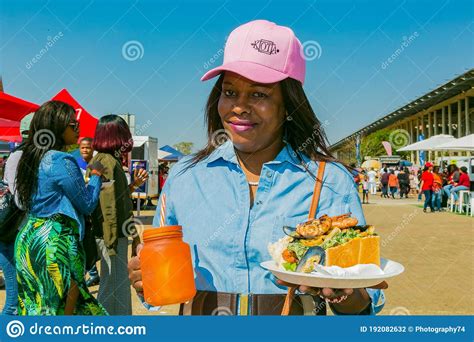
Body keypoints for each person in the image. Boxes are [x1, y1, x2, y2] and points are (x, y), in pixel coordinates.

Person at [128, 20, 386, 316]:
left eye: (259, 94)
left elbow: (365, 300)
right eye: (229, 92)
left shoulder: (328, 181)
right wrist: (144, 279)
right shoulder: (185, 176)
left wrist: (345, 295)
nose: (239, 106)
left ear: (288, 105)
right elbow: (156, 282)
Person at [14, 101, 107, 315]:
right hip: (56, 242)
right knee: (64, 311)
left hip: (28, 239)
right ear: (57, 127)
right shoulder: (62, 160)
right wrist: (95, 177)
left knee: (34, 307)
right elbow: (86, 204)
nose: (78, 130)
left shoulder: (29, 157)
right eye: (73, 126)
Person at [87, 115, 147, 315]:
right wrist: (113, 242)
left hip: (112, 235)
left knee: (116, 286)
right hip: (110, 237)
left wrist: (132, 186)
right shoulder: (106, 162)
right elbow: (108, 207)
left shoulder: (106, 161)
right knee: (111, 287)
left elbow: (115, 199)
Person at [0, 114, 33, 315]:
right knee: (14, 300)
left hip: (14, 232)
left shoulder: (24, 156)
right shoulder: (18, 157)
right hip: (7, 235)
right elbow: (21, 200)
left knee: (20, 298)